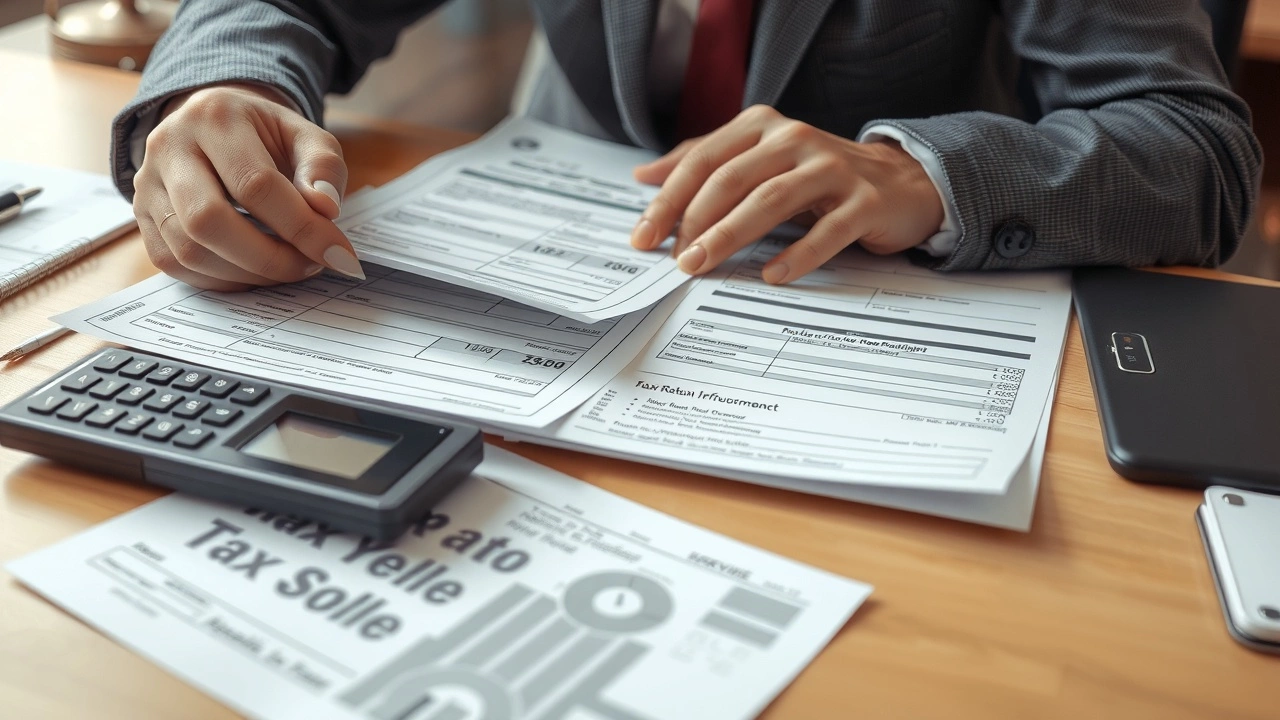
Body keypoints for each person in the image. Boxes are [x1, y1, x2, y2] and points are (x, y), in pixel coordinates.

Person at [112, 0, 1263, 292]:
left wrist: (923, 170)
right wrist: (219, 87)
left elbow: (1195, 152)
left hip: (859, 308)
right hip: (548, 262)